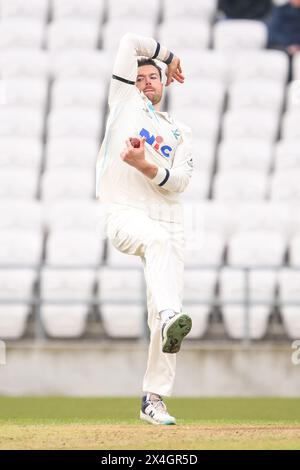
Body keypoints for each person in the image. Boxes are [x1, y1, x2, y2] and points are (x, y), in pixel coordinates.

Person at [95, 33, 193, 425]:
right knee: (155, 241)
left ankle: (153, 399)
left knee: (164, 317)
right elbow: (129, 41)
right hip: (123, 211)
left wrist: (146, 166)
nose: (146, 82)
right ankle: (171, 314)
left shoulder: (179, 131)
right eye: (139, 77)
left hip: (169, 217)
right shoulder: (123, 103)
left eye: (153, 76)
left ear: (164, 83)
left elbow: (181, 182)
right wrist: (168, 56)